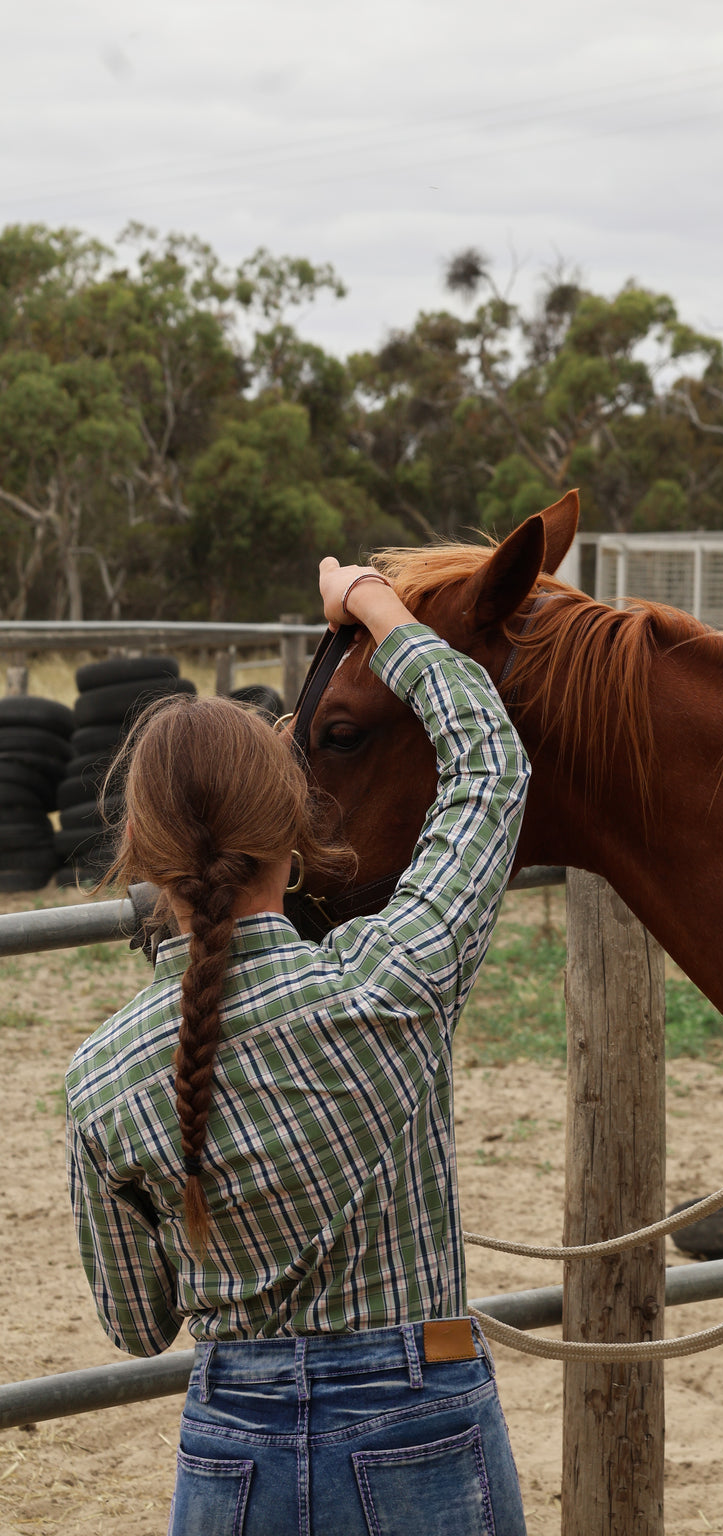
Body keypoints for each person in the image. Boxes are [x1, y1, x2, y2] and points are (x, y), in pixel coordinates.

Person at [64, 561, 531, 1536]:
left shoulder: (101, 1079)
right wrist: (370, 601)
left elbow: (138, 1325)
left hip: (233, 1439)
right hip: (425, 1393)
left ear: (143, 849)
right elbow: (489, 762)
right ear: (293, 816)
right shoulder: (388, 980)